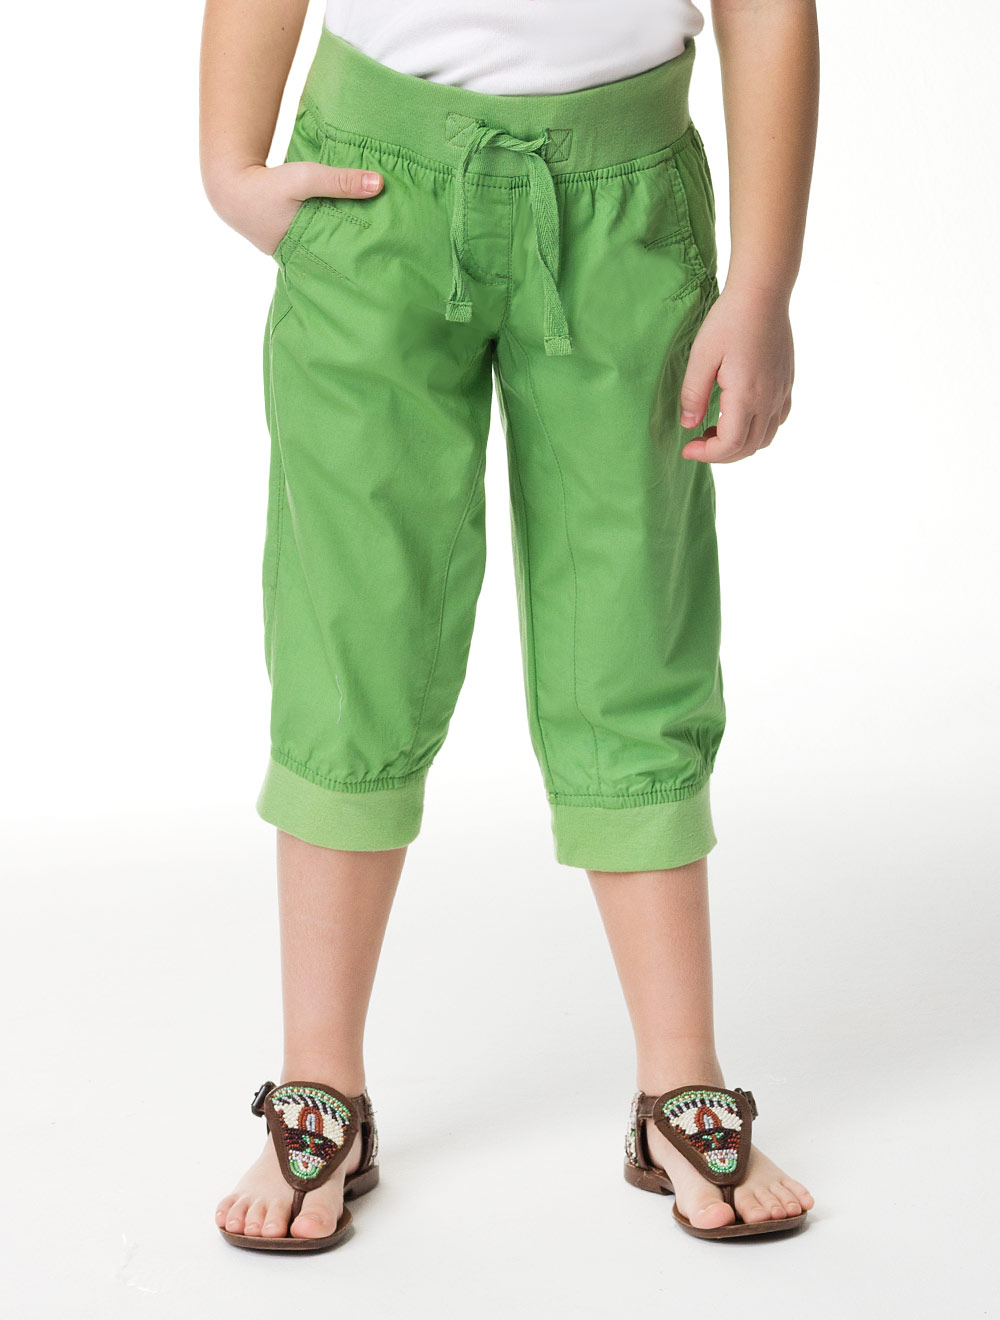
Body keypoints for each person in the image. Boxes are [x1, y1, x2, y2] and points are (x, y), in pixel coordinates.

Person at [201, 0, 819, 1250]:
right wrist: (229, 163)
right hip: (374, 191)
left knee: (632, 627)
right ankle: (320, 1080)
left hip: (624, 201)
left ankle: (679, 1076)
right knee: (350, 631)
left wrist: (762, 285)